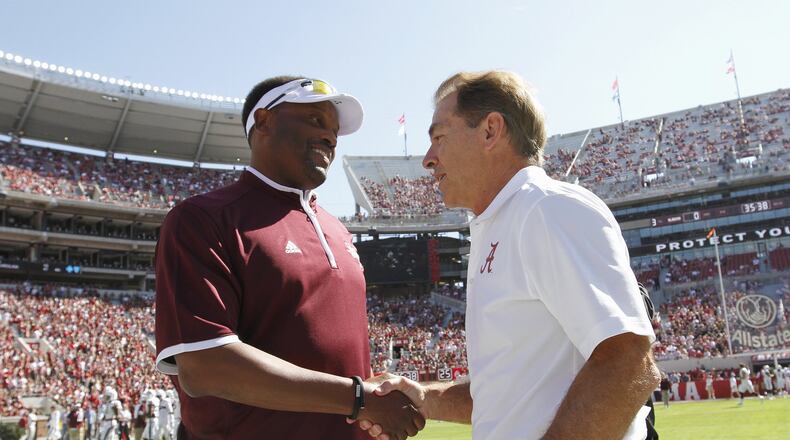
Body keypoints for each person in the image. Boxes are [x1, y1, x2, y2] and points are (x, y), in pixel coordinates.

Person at [356, 70, 659, 439]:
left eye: (439, 137)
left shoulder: (546, 209)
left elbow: (629, 360)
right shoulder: (500, 223)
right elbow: (509, 397)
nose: (428, 158)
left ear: (490, 130)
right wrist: (424, 396)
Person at [154, 76, 424, 440]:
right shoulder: (203, 219)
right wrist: (358, 399)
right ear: (263, 121)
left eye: (334, 130)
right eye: (315, 121)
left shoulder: (338, 229)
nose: (330, 137)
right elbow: (205, 365)